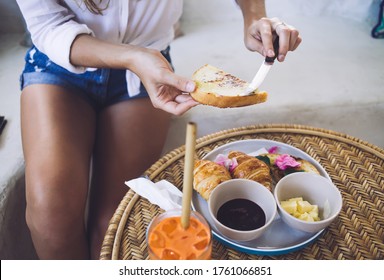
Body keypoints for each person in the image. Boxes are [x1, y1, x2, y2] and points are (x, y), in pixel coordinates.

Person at [15, 0, 301, 260]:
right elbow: (48, 26)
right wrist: (132, 57)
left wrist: (254, 17)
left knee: (114, 224)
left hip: (147, 67)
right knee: (51, 218)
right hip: (57, 67)